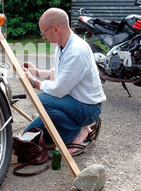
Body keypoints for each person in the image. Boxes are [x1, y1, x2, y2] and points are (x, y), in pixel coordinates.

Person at [22, 8, 106, 156]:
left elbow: (59, 89)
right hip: (72, 103)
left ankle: (78, 131)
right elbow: (58, 74)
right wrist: (37, 72)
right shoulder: (62, 46)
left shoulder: (76, 51)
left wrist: (34, 82)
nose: (43, 37)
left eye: (44, 33)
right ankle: (75, 128)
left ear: (55, 29)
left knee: (41, 100)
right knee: (28, 136)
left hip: (87, 108)